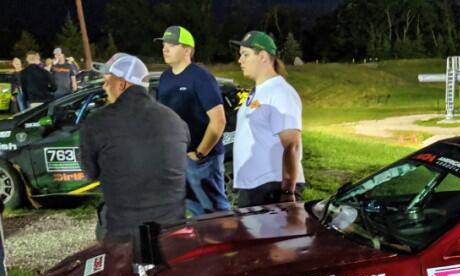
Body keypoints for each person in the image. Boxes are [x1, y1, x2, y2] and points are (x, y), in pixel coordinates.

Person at [79, 53, 189, 244]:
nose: (104, 87)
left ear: (122, 84)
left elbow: (90, 173)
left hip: (123, 233)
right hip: (173, 228)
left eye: (107, 81)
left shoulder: (96, 123)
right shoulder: (175, 119)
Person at [155, 26, 230, 216]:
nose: (165, 49)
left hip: (203, 160)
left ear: (187, 50)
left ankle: (225, 244)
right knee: (194, 210)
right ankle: (205, 244)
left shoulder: (200, 76)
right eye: (164, 45)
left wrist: (200, 153)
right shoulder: (164, 78)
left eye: (171, 45)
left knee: (214, 212)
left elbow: (218, 120)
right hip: (178, 157)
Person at [229, 31, 304, 206]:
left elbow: (292, 144)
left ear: (262, 56)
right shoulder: (259, 92)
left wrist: (287, 192)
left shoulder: (280, 92)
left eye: (245, 55)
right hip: (254, 187)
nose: (240, 60)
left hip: (271, 188)